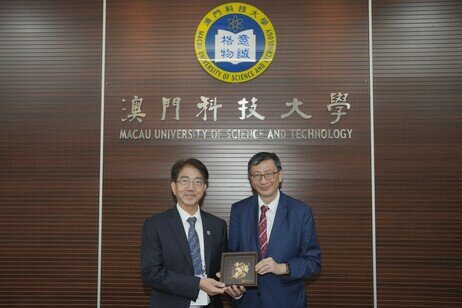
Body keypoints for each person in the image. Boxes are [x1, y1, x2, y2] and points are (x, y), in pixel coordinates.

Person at [227, 152, 321, 308]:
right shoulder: (239, 210)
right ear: (250, 179)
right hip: (248, 302)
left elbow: (313, 262)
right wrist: (233, 284)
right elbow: (233, 255)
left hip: (287, 301)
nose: (263, 181)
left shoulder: (301, 211)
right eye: (256, 175)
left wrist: (283, 268)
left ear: (280, 175)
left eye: (269, 174)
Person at [141, 158, 227, 308]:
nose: (191, 188)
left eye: (197, 182)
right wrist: (197, 284)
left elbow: (223, 267)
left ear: (205, 187)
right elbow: (151, 273)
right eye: (184, 181)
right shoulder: (155, 224)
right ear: (173, 187)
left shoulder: (218, 225)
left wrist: (234, 281)